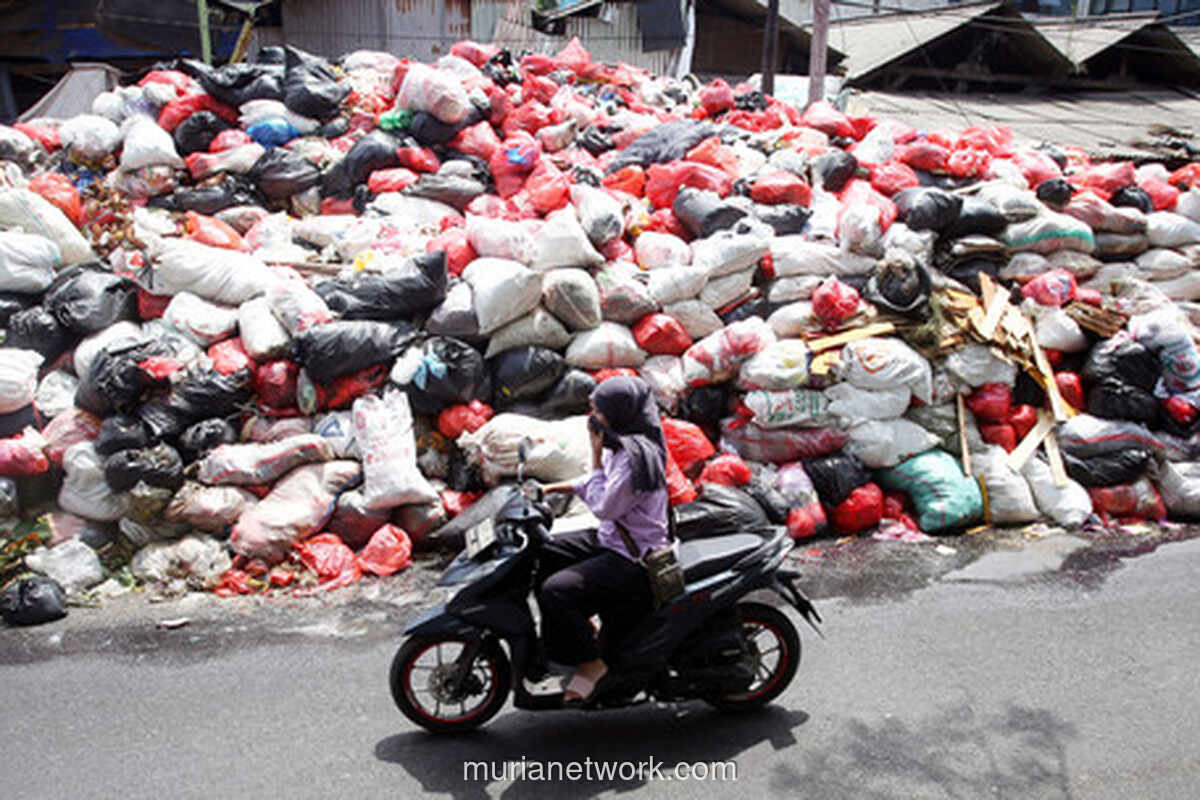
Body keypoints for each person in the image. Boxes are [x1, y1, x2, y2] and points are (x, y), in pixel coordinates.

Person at [539, 376, 671, 705]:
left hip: (633, 557)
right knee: (543, 550)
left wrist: (595, 456)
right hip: (614, 538)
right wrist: (551, 488)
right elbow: (599, 484)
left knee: (555, 590)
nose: (592, 416)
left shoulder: (632, 457)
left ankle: (590, 662)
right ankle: (575, 637)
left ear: (618, 412)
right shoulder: (623, 441)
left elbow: (603, 506)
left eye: (598, 409)